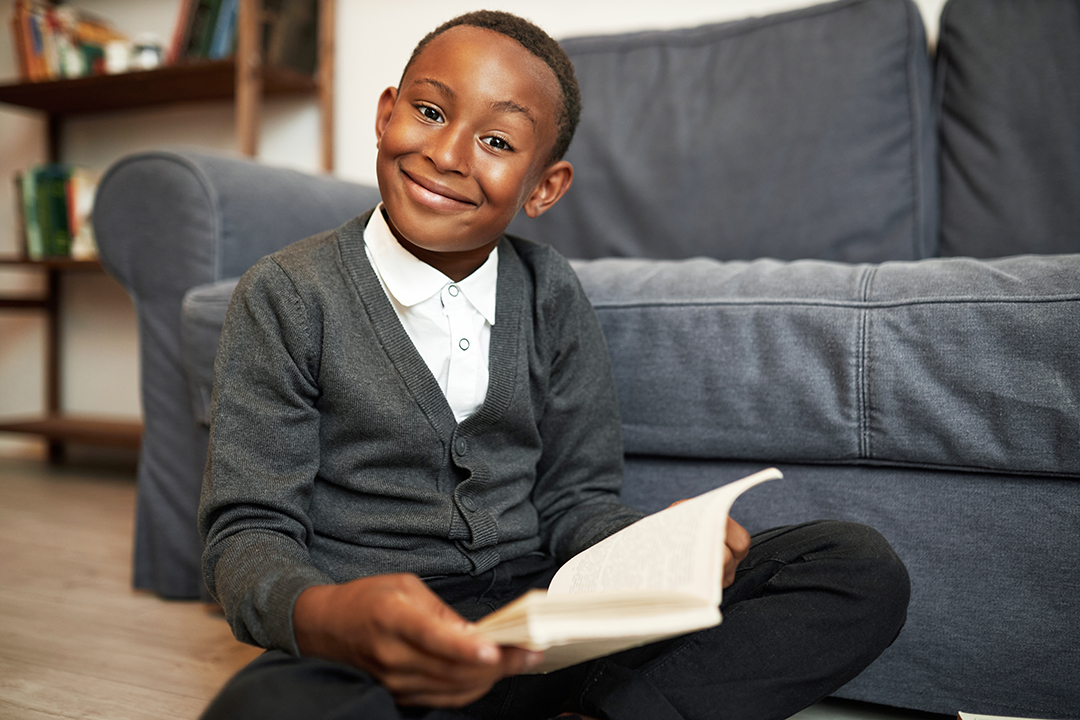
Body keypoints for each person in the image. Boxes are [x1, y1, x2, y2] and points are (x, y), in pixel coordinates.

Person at [198, 10, 910, 720]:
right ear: (386, 116)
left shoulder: (549, 293)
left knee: (854, 567)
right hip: (391, 642)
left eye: (497, 140)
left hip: (547, 622)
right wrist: (332, 617)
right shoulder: (288, 293)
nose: (447, 154)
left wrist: (664, 551)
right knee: (262, 708)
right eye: (428, 110)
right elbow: (249, 534)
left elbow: (577, 502)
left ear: (544, 186)